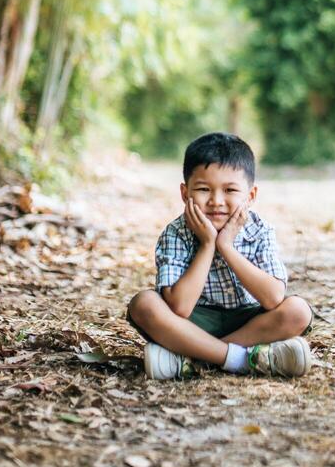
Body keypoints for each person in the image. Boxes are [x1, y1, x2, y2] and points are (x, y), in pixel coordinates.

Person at [126, 131, 314, 380]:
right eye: (204, 189)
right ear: (185, 193)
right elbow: (179, 309)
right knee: (144, 305)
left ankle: (191, 358)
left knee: (298, 311)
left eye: (230, 190)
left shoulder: (260, 230)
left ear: (251, 196)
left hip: (250, 322)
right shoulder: (176, 233)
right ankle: (245, 359)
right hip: (193, 323)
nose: (216, 201)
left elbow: (273, 298)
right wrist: (207, 245)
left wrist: (226, 247)